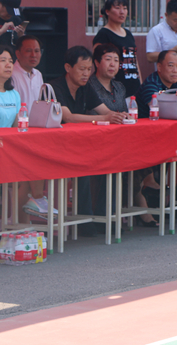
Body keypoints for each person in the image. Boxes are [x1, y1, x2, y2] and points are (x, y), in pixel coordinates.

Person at [0, 45, 52, 222]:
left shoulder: (14, 94)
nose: (8, 65)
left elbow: (16, 130)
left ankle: (27, 217)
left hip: (5, 152)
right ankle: (22, 222)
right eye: (3, 60)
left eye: (11, 61)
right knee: (23, 174)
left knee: (36, 160)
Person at [50, 46, 127, 236]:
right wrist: (104, 118)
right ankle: (84, 219)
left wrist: (119, 116)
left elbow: (105, 111)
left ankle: (104, 216)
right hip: (57, 146)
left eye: (88, 69)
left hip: (81, 144)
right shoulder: (55, 87)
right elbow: (68, 117)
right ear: (68, 68)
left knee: (113, 163)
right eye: (81, 69)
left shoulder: (86, 87)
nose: (86, 74)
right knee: (83, 170)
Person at [88, 44, 158, 227]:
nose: (113, 64)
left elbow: (123, 113)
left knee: (144, 155)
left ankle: (131, 204)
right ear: (96, 62)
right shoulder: (89, 85)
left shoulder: (119, 87)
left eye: (116, 60)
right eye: (108, 59)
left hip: (120, 140)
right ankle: (114, 213)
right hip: (97, 139)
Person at [92, 0, 142, 97]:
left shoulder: (128, 34)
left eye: (125, 8)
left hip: (134, 88)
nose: (122, 12)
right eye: (117, 8)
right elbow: (97, 61)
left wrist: (140, 83)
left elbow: (134, 61)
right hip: (115, 90)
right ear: (107, 11)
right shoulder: (103, 34)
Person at [11, 35, 44, 108]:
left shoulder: (38, 74)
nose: (33, 55)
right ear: (18, 54)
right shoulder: (11, 73)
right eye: (28, 51)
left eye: (37, 51)